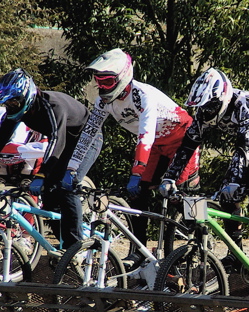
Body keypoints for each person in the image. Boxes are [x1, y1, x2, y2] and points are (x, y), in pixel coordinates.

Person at [69, 48, 200, 268]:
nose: (102, 87)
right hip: (157, 146)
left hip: (182, 140)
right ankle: (139, 251)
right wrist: (71, 168)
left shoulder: (141, 95)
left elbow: (145, 135)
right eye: (98, 81)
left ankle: (200, 239)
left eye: (108, 81)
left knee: (181, 197)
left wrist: (137, 173)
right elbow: (89, 133)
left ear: (123, 76)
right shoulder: (104, 102)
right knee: (138, 198)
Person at [157, 68, 249, 270]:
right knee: (227, 198)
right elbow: (187, 146)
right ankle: (236, 254)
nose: (208, 110)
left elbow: (244, 147)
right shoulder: (204, 111)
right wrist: (169, 178)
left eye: (211, 105)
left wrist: (235, 182)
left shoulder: (244, 105)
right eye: (204, 106)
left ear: (224, 96)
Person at [0, 68, 90, 251]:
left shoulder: (52, 106)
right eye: (8, 103)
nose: (11, 106)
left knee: (66, 184)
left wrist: (41, 174)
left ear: (27, 96)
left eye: (14, 101)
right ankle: (64, 248)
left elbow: (57, 141)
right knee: (49, 197)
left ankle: (76, 248)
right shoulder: (19, 110)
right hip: (64, 140)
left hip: (86, 137)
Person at [0, 106, 47, 187]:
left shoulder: (35, 126)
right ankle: (3, 176)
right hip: (17, 150)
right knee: (1, 177)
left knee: (29, 176)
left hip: (28, 155)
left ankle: (25, 176)